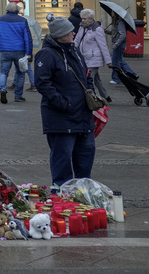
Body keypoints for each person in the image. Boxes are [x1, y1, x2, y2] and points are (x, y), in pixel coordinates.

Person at [33, 17, 96, 190]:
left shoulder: (74, 50)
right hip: (61, 118)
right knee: (62, 158)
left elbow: (86, 75)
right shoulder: (47, 54)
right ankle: (61, 193)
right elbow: (42, 83)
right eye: (70, 31)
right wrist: (64, 104)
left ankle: (84, 192)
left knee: (86, 156)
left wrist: (90, 93)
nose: (73, 33)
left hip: (83, 116)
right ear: (61, 35)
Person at [0, 2, 33, 104]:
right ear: (18, 10)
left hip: (5, 50)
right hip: (20, 51)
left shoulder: (0, 20)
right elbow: (27, 38)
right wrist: (28, 52)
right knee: (20, 73)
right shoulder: (23, 20)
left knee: (3, 72)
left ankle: (3, 89)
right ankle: (18, 96)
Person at [75, 8, 112, 103]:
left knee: (88, 79)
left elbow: (103, 45)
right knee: (96, 79)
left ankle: (91, 99)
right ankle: (106, 96)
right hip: (84, 58)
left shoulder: (97, 29)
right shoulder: (82, 27)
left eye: (85, 19)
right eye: (82, 18)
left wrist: (108, 61)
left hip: (94, 59)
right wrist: (72, 50)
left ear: (91, 19)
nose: (83, 21)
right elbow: (77, 41)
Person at [108, 12, 139, 83]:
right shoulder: (116, 22)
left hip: (119, 45)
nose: (111, 13)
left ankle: (116, 79)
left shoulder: (120, 22)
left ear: (116, 13)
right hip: (118, 44)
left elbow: (123, 34)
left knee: (115, 62)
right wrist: (106, 31)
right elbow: (115, 33)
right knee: (120, 61)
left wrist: (116, 44)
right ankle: (133, 74)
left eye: (113, 12)